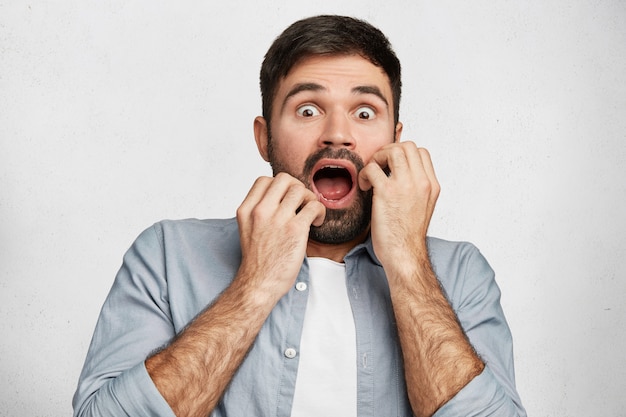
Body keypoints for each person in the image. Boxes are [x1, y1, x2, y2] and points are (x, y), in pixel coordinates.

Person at [73, 15, 525, 417]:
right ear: (264, 138)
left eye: (365, 112)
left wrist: (408, 262)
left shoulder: (460, 273)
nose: (338, 134)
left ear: (395, 138)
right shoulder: (168, 255)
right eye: (308, 109)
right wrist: (255, 285)